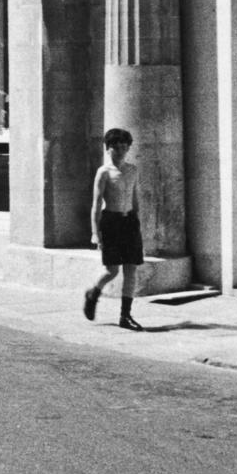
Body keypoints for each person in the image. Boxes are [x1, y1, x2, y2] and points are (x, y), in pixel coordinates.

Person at [82, 127, 144, 330]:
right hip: (111, 222)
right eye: (115, 147)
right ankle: (93, 293)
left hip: (129, 223)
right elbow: (96, 204)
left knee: (131, 269)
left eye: (124, 147)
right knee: (112, 270)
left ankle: (125, 316)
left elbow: (135, 200)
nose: (120, 151)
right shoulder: (104, 173)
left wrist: (137, 223)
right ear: (108, 149)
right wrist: (95, 233)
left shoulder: (133, 170)